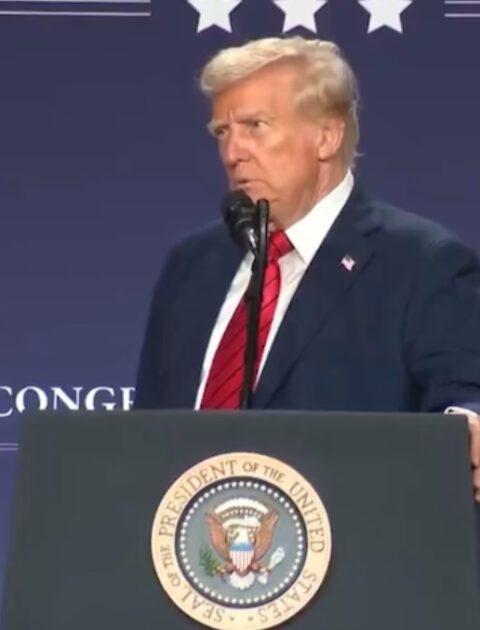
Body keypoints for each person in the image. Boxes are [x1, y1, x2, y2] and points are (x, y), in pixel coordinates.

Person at [134, 37, 480, 499]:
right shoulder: (192, 264)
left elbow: (465, 396)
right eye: (222, 132)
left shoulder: (421, 262)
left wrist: (467, 425)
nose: (233, 152)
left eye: (254, 126)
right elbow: (144, 435)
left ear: (326, 137)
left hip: (355, 533)